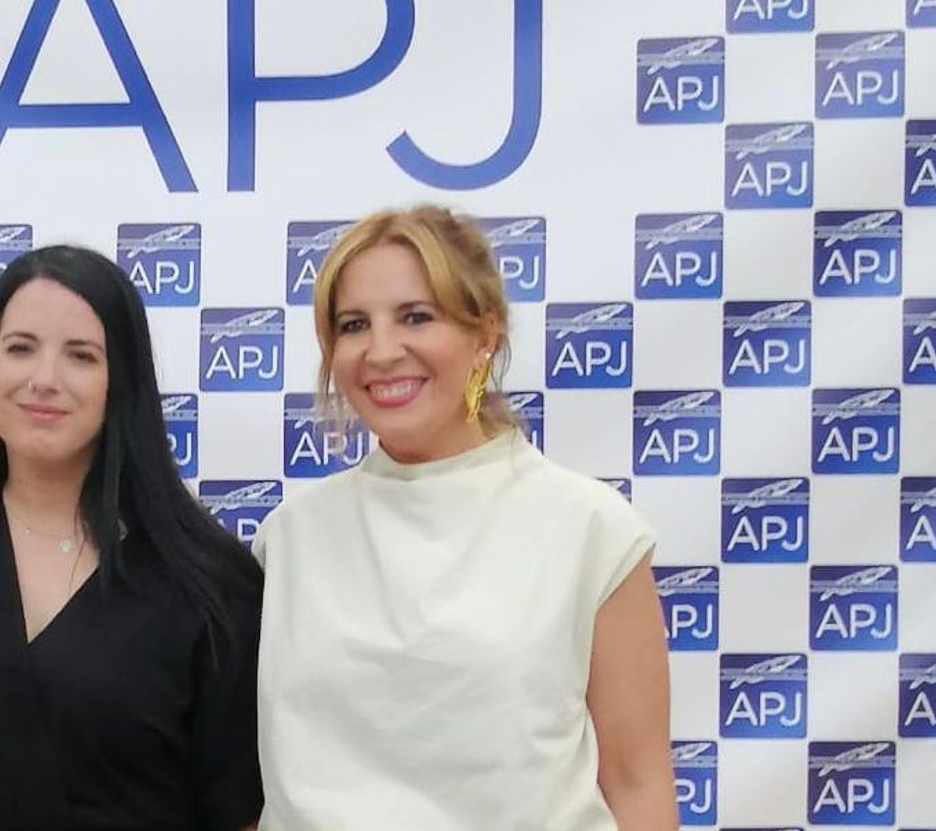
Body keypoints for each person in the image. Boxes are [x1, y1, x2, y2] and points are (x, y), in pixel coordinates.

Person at [253, 206, 677, 830]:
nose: (382, 350)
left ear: (486, 334)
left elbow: (638, 783)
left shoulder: (592, 529)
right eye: (353, 325)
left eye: (416, 317)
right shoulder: (289, 538)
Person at [0, 245, 265, 831]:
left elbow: (235, 809)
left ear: (122, 389)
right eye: (20, 349)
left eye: (82, 356)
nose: (44, 379)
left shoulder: (209, 581)